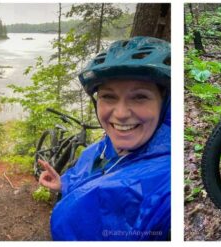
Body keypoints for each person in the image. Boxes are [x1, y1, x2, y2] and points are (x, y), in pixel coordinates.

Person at [37, 36, 171, 241]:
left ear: (164, 104)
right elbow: (90, 179)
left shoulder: (167, 181)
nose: (121, 113)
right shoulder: (98, 149)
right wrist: (63, 184)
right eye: (108, 97)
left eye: (140, 97)